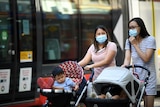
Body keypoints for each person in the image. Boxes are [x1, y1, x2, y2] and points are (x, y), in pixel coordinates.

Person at [121, 17, 157, 107]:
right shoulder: (128, 41)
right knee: (134, 103)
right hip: (135, 77)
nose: (131, 30)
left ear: (140, 27)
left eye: (133, 27)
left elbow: (146, 58)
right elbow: (127, 59)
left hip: (149, 77)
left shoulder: (150, 40)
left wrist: (135, 45)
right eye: (129, 28)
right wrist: (124, 66)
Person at [78, 25, 117, 99]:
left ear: (106, 34)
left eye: (103, 33)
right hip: (97, 79)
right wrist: (75, 66)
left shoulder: (112, 45)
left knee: (109, 99)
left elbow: (106, 61)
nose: (101, 35)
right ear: (95, 36)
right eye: (98, 34)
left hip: (110, 78)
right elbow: (85, 60)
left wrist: (92, 66)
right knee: (99, 100)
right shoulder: (92, 47)